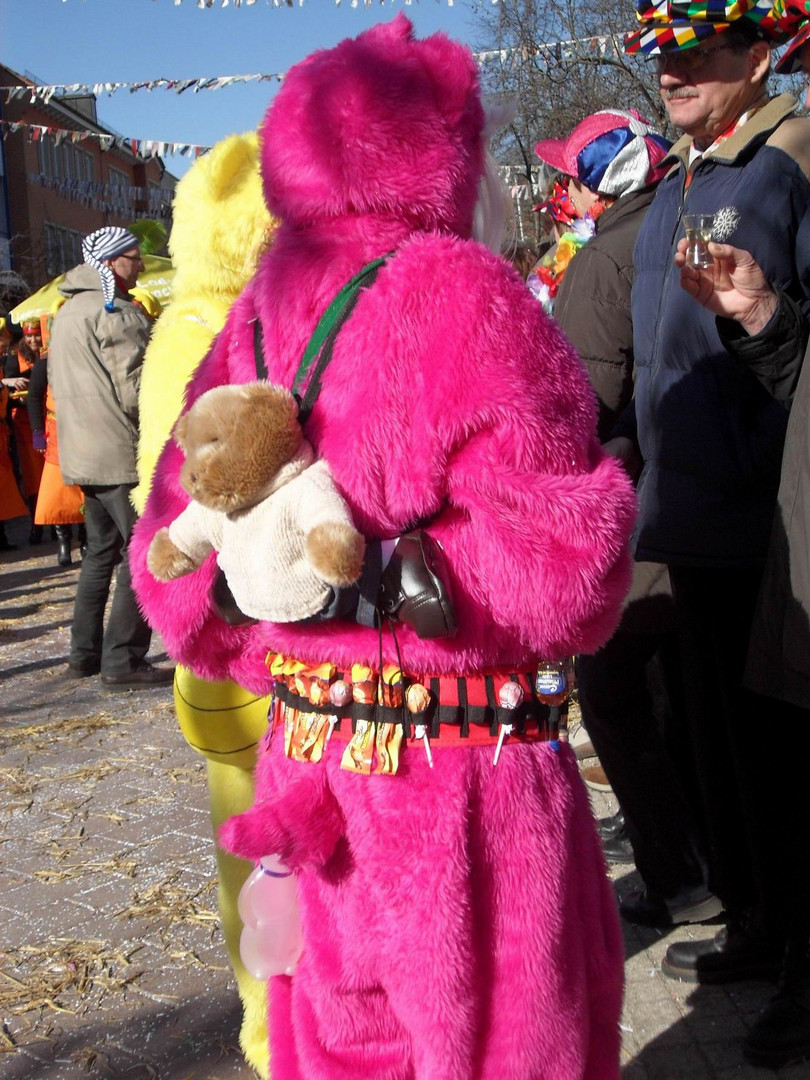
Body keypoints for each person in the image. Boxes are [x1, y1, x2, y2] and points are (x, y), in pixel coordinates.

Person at [131, 17, 636, 1079]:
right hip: (459, 786)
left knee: (338, 1048)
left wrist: (282, 606)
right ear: (447, 151)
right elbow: (564, 579)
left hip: (306, 770)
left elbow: (173, 588)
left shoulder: (253, 311)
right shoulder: (467, 291)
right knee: (500, 1049)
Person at [616, 0, 810, 984]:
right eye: (661, 55)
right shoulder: (688, 175)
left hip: (766, 526)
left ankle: (792, 956)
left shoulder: (791, 163)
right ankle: (754, 929)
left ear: (761, 52)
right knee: (719, 753)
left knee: (779, 763)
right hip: (688, 519)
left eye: (698, 51)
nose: (673, 71)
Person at [536, 109, 720, 927]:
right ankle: (709, 860)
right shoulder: (675, 223)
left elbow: (579, 399)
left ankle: (679, 874)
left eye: (570, 176)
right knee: (678, 694)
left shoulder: (606, 258)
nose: (559, 191)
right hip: (691, 503)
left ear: (596, 184)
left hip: (635, 513)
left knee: (613, 692)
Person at [47, 226, 173, 689]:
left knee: (101, 551)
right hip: (118, 452)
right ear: (112, 261)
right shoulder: (113, 312)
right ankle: (122, 661)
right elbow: (137, 390)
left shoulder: (68, 312)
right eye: (134, 257)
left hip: (82, 453)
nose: (140, 265)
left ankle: (84, 656)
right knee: (140, 552)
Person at [26, 311, 86, 567]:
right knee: (59, 489)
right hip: (56, 432)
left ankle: (84, 539)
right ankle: (63, 542)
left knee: (85, 487)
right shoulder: (44, 364)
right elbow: (33, 396)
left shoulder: (81, 356)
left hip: (81, 428)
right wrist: (38, 432)